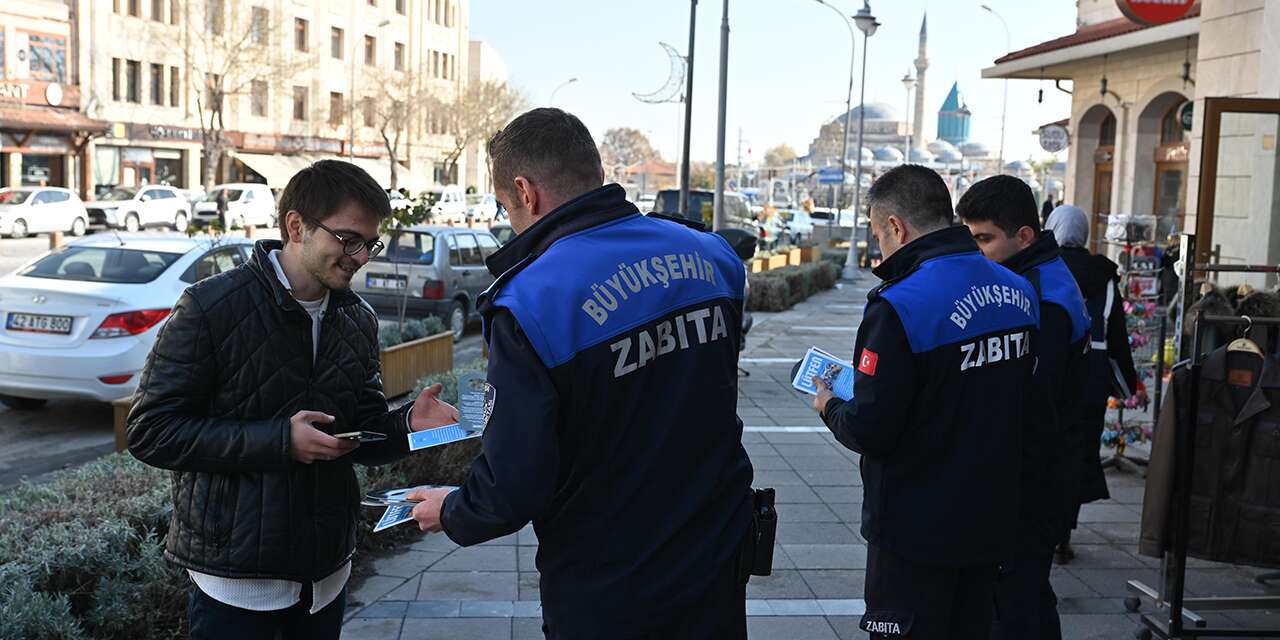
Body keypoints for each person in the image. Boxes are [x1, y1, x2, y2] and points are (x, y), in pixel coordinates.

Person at [406, 108, 755, 639]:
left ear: (525, 192)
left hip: (610, 578)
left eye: (506, 207)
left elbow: (514, 484)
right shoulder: (712, 255)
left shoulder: (531, 298)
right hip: (716, 552)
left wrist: (452, 510)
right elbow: (674, 389)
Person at [127, 160, 460, 640]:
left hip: (327, 578)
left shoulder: (357, 318)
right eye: (348, 239)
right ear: (296, 225)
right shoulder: (211, 307)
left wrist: (408, 423)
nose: (361, 256)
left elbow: (359, 435)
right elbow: (150, 431)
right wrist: (280, 441)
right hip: (236, 589)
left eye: (370, 243)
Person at [810, 164, 1039, 639]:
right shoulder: (1019, 291)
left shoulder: (901, 304)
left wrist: (831, 406)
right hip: (991, 517)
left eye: (877, 235)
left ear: (896, 226)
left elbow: (873, 426)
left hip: (916, 529)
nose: (880, 247)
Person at [956, 176, 1092, 640]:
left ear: (1024, 236)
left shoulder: (1041, 294)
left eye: (985, 239)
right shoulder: (1035, 275)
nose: (977, 251)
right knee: (1024, 594)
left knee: (1015, 599)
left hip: (1034, 475)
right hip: (1037, 470)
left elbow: (1034, 400)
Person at [1044, 204, 1139, 565]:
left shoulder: (1043, 267)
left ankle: (1039, 525)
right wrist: (1127, 384)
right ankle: (1063, 534)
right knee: (1077, 451)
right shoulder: (1105, 276)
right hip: (1090, 375)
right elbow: (1117, 334)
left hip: (1050, 370)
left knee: (1043, 446)